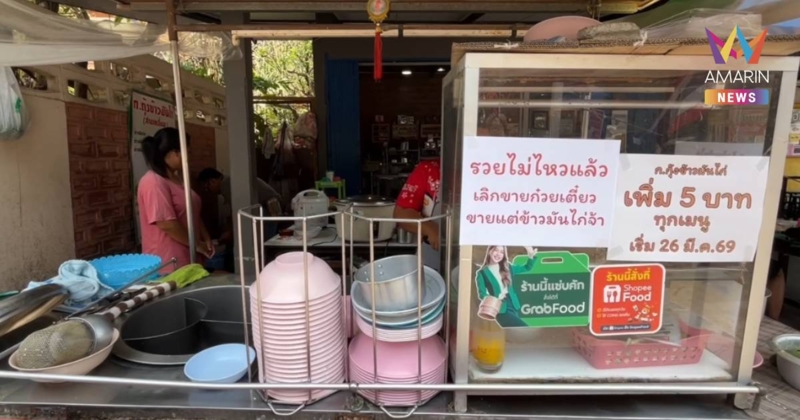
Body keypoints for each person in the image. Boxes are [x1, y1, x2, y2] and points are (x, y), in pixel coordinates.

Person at [137, 128, 213, 272]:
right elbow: (167, 224)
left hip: (189, 258)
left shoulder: (177, 178)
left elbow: (191, 210)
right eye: (188, 152)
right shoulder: (153, 182)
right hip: (168, 263)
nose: (189, 156)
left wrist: (205, 237)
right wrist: (197, 244)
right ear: (174, 153)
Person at [197, 167, 282, 245]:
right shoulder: (229, 180)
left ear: (212, 181)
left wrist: (229, 232)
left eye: (207, 188)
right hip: (270, 204)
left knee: (265, 243)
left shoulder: (225, 184)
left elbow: (236, 211)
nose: (208, 191)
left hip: (268, 207)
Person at [475, 246, 538, 328]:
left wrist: (530, 256)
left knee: (517, 333)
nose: (498, 254)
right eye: (496, 250)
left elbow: (527, 267)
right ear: (490, 251)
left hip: (514, 305)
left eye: (502, 252)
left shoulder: (508, 267)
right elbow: (482, 294)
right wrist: (496, 299)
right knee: (525, 329)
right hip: (500, 308)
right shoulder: (482, 273)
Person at [394, 159, 441, 264]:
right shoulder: (428, 170)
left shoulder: (484, 172)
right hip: (432, 257)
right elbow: (402, 211)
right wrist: (430, 229)